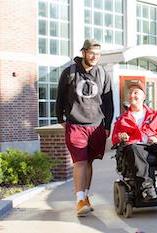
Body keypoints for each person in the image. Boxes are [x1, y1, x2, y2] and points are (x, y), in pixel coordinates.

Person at [56, 39, 114, 217]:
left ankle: (86, 197)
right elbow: (60, 97)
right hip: (76, 125)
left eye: (98, 54)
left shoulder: (103, 74)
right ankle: (80, 199)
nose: (95, 57)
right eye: (91, 53)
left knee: (89, 162)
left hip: (96, 126)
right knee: (79, 162)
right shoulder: (70, 72)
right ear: (83, 52)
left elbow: (108, 102)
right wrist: (61, 118)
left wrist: (107, 126)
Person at [111, 81, 157, 199]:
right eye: (130, 93)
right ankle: (146, 186)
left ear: (143, 96)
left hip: (153, 147)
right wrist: (120, 137)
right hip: (136, 149)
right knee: (133, 146)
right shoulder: (123, 119)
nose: (132, 95)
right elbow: (114, 138)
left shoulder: (155, 115)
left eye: (136, 92)